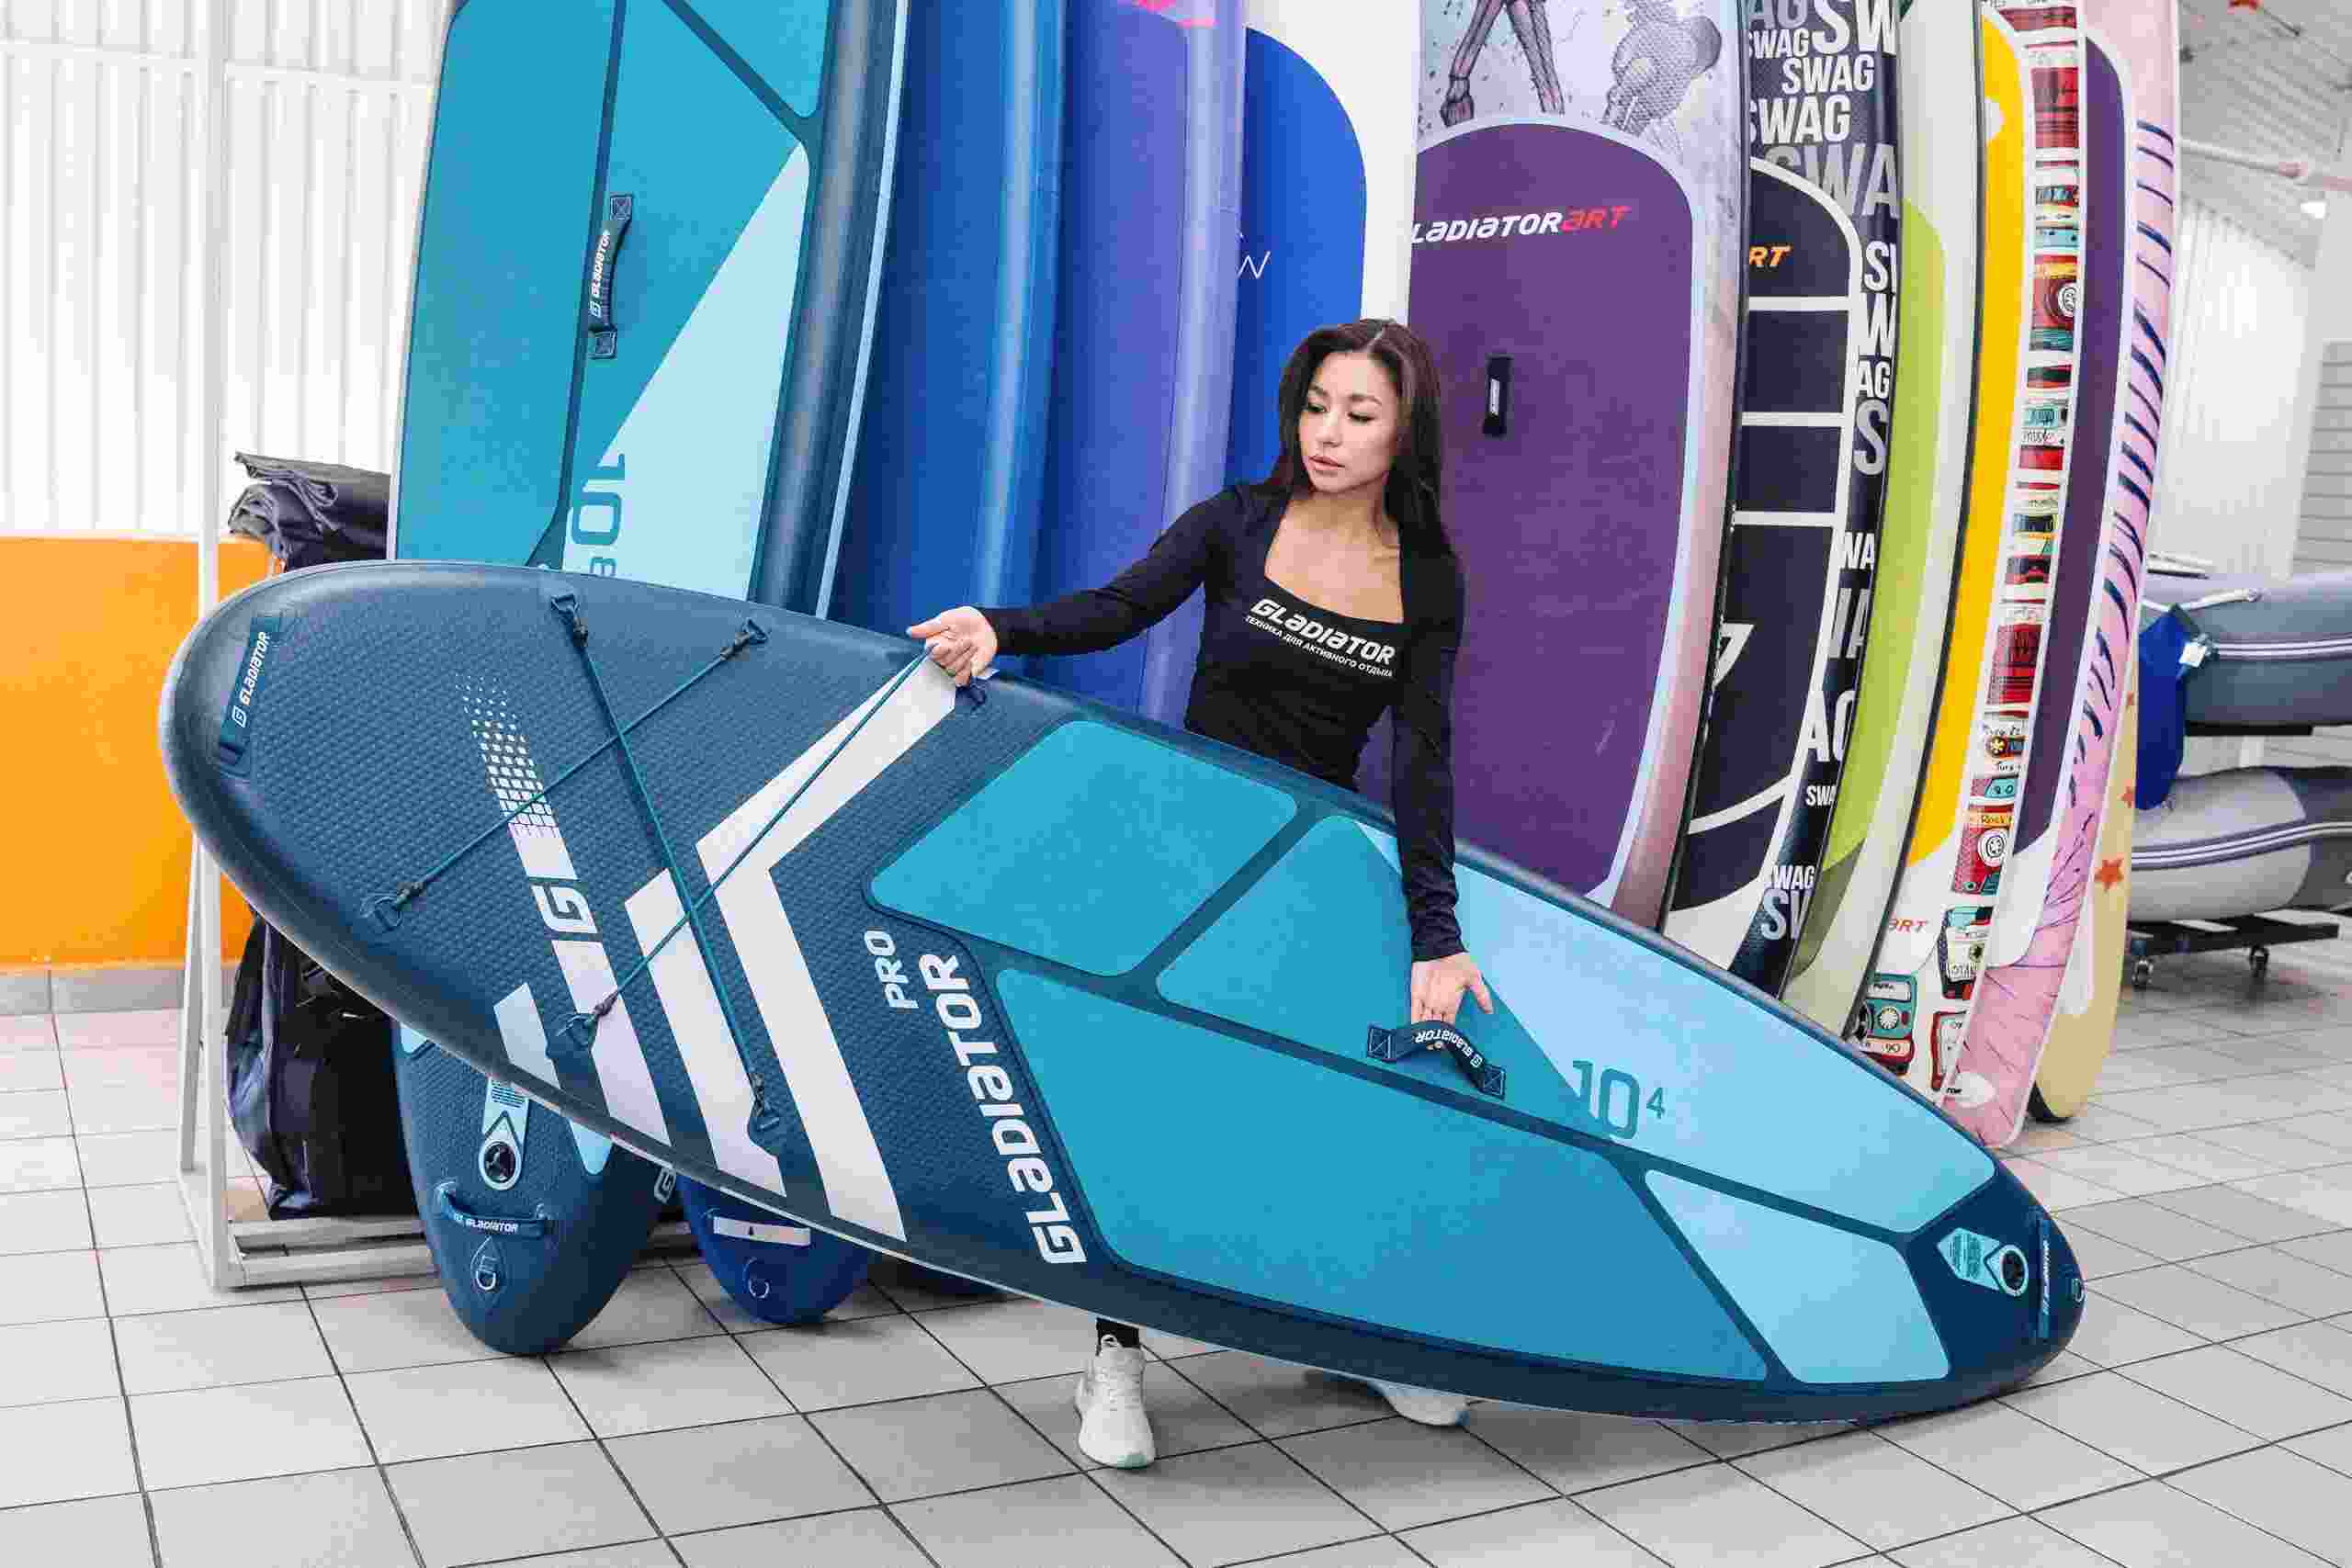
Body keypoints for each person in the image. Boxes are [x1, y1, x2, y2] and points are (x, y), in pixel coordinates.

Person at [909, 319, 1493, 1470]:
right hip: (1185, 850)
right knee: (1155, 1106)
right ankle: (1114, 1355)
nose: (1328, 433)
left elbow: (1423, 760)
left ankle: (1353, 1334)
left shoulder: (1428, 578)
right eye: (1315, 406)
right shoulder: (1238, 522)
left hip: (1310, 868)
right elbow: (1118, 607)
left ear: (1406, 432)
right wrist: (1000, 627)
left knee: (1321, 1111)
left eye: (1359, 415)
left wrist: (1436, 934)